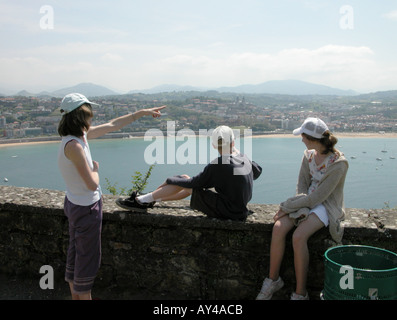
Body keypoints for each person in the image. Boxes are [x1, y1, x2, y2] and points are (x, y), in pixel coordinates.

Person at [57, 92, 165, 300]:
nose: (92, 117)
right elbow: (91, 184)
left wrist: (141, 113)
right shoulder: (76, 146)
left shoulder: (73, 139)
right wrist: (96, 170)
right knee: (87, 261)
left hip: (75, 204)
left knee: (76, 257)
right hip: (86, 209)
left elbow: (113, 125)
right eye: (89, 114)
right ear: (81, 116)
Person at [256, 117, 348, 300]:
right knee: (278, 228)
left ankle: (300, 293)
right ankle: (273, 280)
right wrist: (300, 208)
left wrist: (286, 207)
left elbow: (318, 197)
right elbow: (302, 186)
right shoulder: (309, 156)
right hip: (305, 201)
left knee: (298, 237)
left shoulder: (338, 164)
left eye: (303, 136)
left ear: (312, 139)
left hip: (326, 205)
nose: (301, 140)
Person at [116, 125, 262, 222]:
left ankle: (141, 201)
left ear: (213, 145)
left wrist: (170, 180)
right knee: (187, 184)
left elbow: (194, 183)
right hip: (240, 209)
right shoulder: (243, 158)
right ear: (233, 142)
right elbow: (257, 171)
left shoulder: (219, 164)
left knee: (184, 180)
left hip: (230, 211)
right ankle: (152, 200)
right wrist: (237, 152)